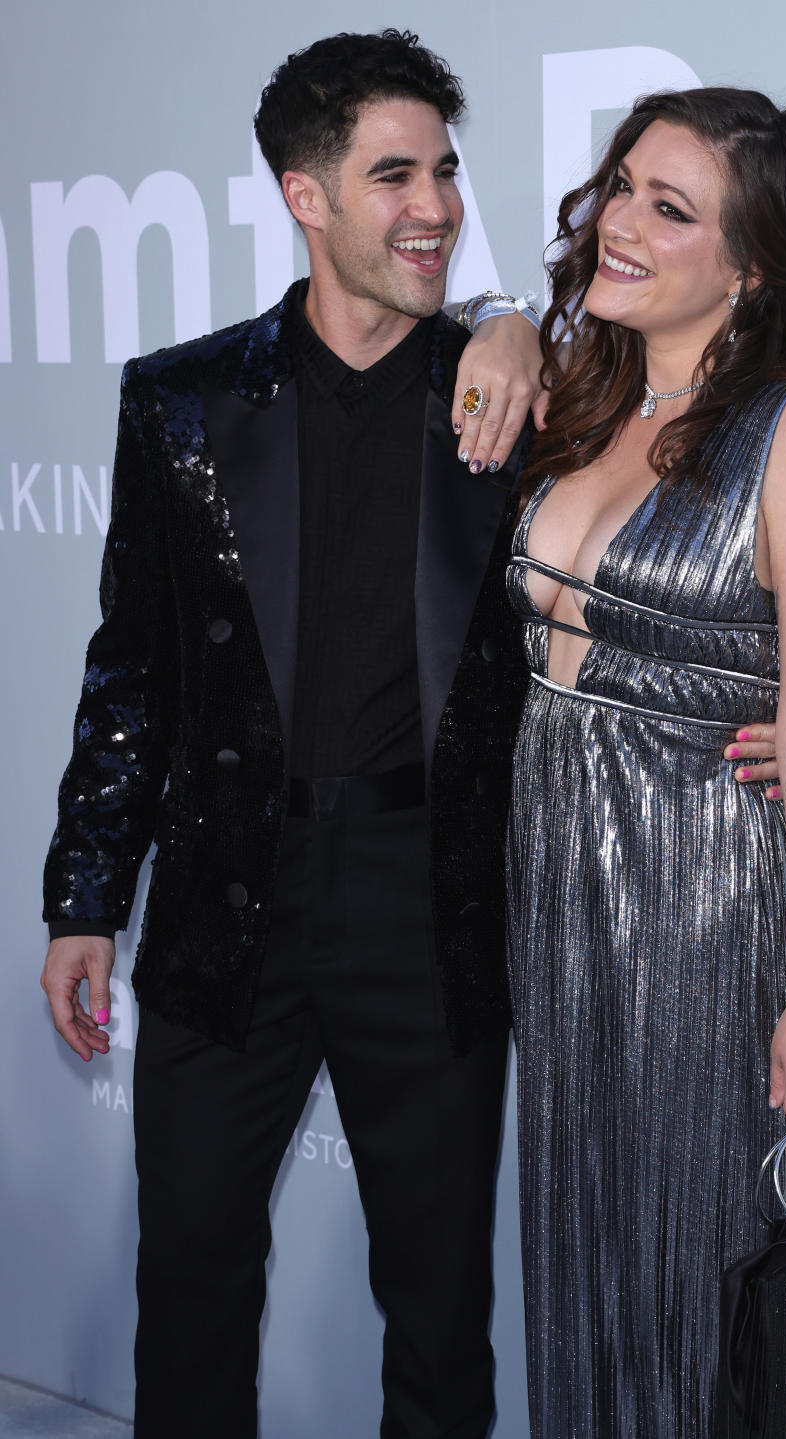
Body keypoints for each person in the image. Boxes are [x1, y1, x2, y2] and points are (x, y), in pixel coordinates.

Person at [39, 30, 549, 1439]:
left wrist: (518, 320)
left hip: (428, 902)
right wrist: (87, 894)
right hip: (225, 893)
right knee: (192, 1289)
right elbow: (131, 664)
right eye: (394, 175)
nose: (435, 205)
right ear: (304, 195)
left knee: (440, 1318)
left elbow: (632, 343)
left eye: (446, 170)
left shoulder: (511, 399)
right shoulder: (182, 402)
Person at [505, 87, 786, 1438]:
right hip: (558, 902)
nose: (619, 223)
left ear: (753, 263)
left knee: (687, 1282)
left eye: (670, 210)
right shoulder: (588, 390)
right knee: (585, 1269)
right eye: (621, 187)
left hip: (699, 905)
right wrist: (503, 323)